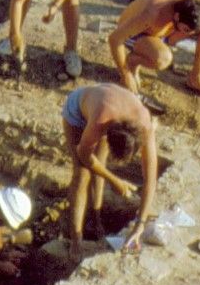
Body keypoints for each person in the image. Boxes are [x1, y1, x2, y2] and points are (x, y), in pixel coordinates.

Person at [61, 83, 157, 263]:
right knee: (82, 174)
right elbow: (85, 157)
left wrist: (139, 225)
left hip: (109, 108)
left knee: (100, 166)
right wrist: (115, 180)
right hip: (78, 113)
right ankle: (76, 239)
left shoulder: (145, 124)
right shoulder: (101, 119)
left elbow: (150, 179)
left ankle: (96, 219)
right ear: (109, 134)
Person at [108, 0, 200, 105]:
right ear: (177, 16)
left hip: (167, 31)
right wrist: (126, 74)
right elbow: (114, 38)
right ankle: (133, 61)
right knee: (163, 58)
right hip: (138, 32)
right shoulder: (153, 12)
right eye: (187, 31)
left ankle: (196, 79)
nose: (191, 35)